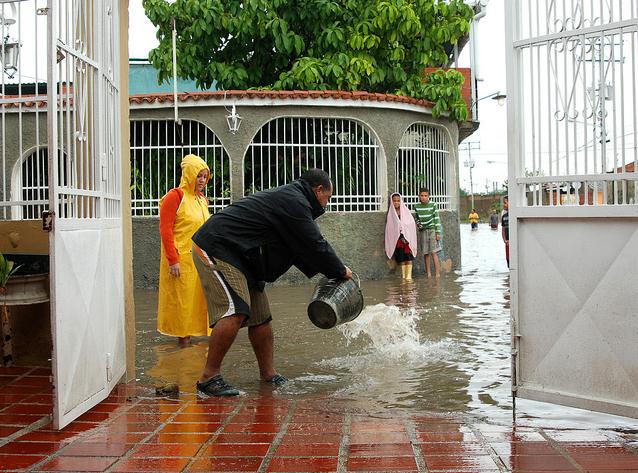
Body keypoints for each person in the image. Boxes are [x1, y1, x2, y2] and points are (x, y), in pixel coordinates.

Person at [191, 169, 352, 396]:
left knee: (261, 318)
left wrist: (329, 271)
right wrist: (340, 270)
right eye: (328, 198)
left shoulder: (294, 200)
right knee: (236, 311)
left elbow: (300, 250)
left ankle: (268, 374)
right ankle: (209, 378)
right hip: (217, 247)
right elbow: (314, 243)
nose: (327, 205)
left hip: (243, 256)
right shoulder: (294, 202)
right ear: (318, 190)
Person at [157, 154, 212, 347]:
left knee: (198, 301)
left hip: (199, 260)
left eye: (205, 177)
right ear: (189, 175)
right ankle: (184, 344)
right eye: (199, 176)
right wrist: (173, 260)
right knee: (182, 303)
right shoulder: (175, 197)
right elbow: (165, 230)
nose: (203, 181)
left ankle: (194, 346)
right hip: (180, 261)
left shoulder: (202, 200)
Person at [385, 193, 418, 280]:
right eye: (394, 201)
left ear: (401, 201)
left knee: (408, 257)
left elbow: (411, 223)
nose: (396, 203)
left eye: (398, 201)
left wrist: (403, 227)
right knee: (401, 258)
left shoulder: (405, 211)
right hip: (398, 240)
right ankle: (404, 277)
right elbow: (390, 227)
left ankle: (409, 277)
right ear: (392, 202)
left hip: (406, 239)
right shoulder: (391, 214)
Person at [413, 188, 442, 278]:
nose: (424, 197)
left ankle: (437, 274)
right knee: (426, 253)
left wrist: (438, 232)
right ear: (419, 196)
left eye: (426, 196)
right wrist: (419, 225)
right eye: (422, 195)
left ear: (429, 196)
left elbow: (437, 219)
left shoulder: (433, 205)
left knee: (434, 252)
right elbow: (417, 218)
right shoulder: (416, 206)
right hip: (423, 231)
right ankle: (428, 274)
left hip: (432, 229)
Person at [501, 196, 510, 268]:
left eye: (505, 202)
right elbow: (503, 229)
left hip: (513, 242)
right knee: (508, 260)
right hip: (507, 243)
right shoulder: (504, 216)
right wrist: (505, 240)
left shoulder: (514, 216)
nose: (503, 205)